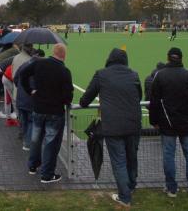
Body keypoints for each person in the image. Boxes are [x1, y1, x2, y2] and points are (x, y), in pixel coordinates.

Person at [79, 48, 142, 207]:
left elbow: (86, 98)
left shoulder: (101, 74)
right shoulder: (134, 74)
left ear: (109, 59)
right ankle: (131, 186)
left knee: (119, 161)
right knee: (131, 157)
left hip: (113, 126)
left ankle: (125, 197)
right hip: (133, 123)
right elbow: (139, 96)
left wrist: (83, 103)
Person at [149, 47, 188, 200]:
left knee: (169, 156)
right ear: (181, 58)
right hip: (186, 123)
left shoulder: (160, 75)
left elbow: (154, 101)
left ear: (168, 58)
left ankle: (171, 188)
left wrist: (154, 121)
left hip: (167, 125)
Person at [20, 44, 73, 184]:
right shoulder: (64, 71)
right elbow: (68, 97)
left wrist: (30, 90)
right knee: (51, 143)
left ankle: (32, 166)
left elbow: (22, 74)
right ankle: (47, 174)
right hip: (55, 112)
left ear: (53, 52)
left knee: (36, 139)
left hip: (38, 108)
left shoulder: (39, 63)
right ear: (64, 55)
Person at [14, 49, 45, 151]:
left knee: (24, 120)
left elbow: (15, 79)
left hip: (20, 98)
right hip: (30, 100)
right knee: (31, 121)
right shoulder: (38, 68)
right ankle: (27, 143)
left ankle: (23, 138)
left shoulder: (24, 65)